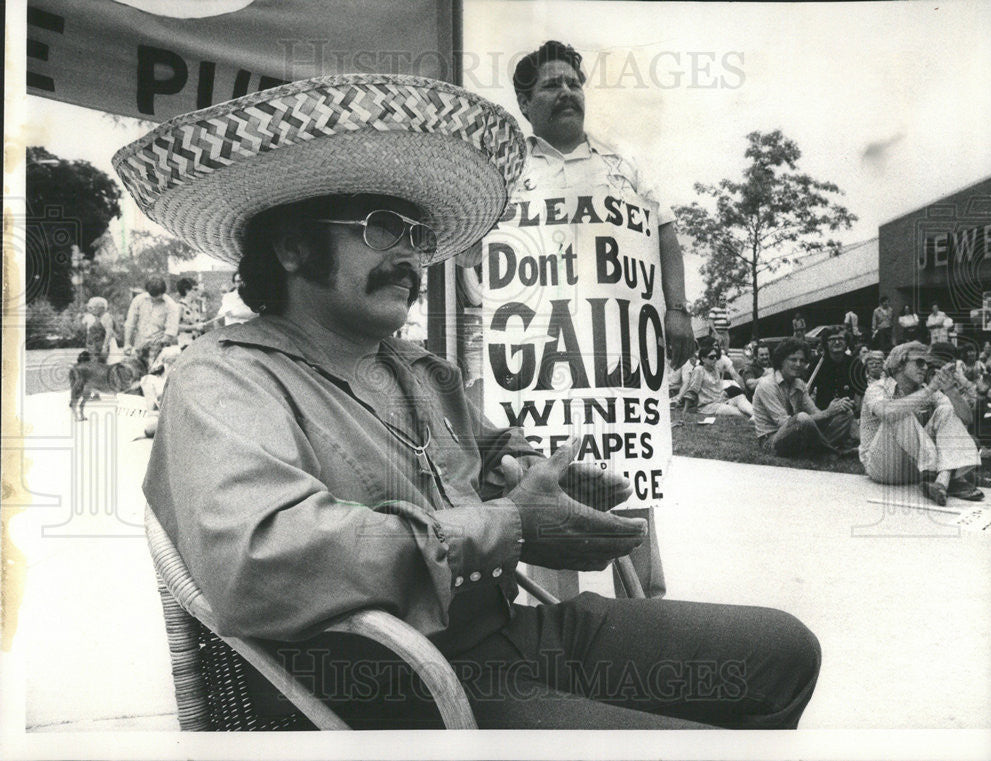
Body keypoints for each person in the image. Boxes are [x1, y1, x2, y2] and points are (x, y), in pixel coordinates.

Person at [121, 73, 820, 730]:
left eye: (420, 238)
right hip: (402, 684)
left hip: (507, 635)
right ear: (295, 247)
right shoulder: (223, 377)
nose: (414, 257)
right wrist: (508, 525)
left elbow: (489, 455)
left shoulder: (418, 367)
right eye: (383, 229)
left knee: (784, 652)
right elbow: (260, 558)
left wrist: (544, 477)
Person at [500, 40, 697, 600]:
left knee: (627, 480)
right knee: (548, 484)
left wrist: (675, 309)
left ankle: (649, 610)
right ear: (524, 100)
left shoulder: (622, 164)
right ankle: (561, 622)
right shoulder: (508, 170)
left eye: (573, 83)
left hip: (616, 358)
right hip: (542, 360)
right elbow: (477, 257)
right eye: (551, 85)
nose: (567, 93)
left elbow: (665, 234)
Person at [859, 341, 983, 505]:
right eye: (919, 362)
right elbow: (886, 412)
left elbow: (967, 418)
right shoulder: (877, 388)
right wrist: (930, 390)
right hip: (882, 466)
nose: (925, 367)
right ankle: (950, 477)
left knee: (947, 410)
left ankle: (941, 481)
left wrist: (951, 390)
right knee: (899, 411)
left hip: (917, 468)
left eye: (927, 363)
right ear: (900, 364)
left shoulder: (924, 388)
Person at [752, 338, 857, 457]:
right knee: (802, 418)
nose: (798, 364)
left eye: (802, 360)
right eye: (793, 360)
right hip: (772, 441)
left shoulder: (799, 384)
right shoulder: (767, 385)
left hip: (798, 435)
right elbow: (784, 422)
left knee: (846, 413)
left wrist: (835, 408)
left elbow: (816, 414)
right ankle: (833, 452)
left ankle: (818, 451)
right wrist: (827, 413)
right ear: (781, 361)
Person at [677, 345, 754, 417]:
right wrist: (685, 410)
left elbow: (717, 387)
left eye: (716, 357)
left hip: (721, 400)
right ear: (703, 359)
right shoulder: (699, 370)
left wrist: (722, 394)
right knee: (739, 412)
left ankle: (755, 415)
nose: (715, 359)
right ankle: (756, 417)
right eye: (711, 357)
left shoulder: (716, 369)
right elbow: (692, 390)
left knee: (740, 397)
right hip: (708, 406)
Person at [123, 277, 180, 368]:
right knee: (136, 374)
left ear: (163, 292)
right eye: (152, 296)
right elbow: (130, 324)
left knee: (154, 376)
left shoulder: (171, 305)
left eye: (157, 296)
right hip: (140, 345)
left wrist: (158, 345)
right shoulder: (138, 300)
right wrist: (127, 344)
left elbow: (171, 331)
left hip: (159, 347)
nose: (154, 299)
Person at [811, 327, 862, 412]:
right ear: (826, 343)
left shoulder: (856, 364)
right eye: (832, 339)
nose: (837, 342)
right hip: (823, 414)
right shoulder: (817, 363)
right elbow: (807, 391)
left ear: (846, 342)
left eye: (840, 339)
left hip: (849, 412)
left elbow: (860, 393)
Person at [81, 296, 116, 362]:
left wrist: (105, 347)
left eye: (93, 308)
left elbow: (109, 333)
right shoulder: (98, 317)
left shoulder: (106, 317)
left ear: (101, 308)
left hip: (103, 347)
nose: (91, 310)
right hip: (95, 347)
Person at [175, 277, 205, 348]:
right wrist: (194, 327)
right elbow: (175, 327)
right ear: (187, 290)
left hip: (197, 344)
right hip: (186, 345)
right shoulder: (180, 306)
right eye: (195, 289)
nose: (198, 292)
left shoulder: (196, 306)